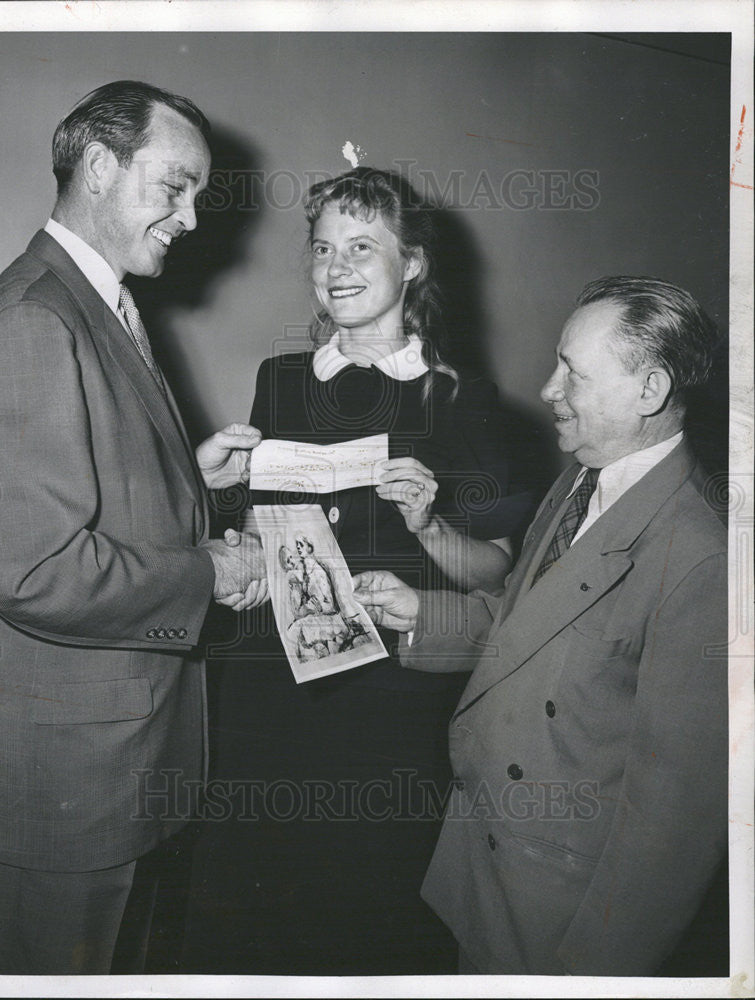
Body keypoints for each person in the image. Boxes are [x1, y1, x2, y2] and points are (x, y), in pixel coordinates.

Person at [193, 168, 534, 974]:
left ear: (411, 263)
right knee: (251, 905)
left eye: (360, 247)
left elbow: (496, 572)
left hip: (387, 702)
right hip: (266, 683)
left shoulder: (462, 398)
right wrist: (223, 512)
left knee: (361, 910)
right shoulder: (280, 380)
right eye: (320, 248)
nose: (334, 266)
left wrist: (429, 524)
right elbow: (256, 528)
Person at [0, 80, 266, 975]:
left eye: (198, 196)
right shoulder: (34, 319)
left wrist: (191, 484)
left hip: (112, 767)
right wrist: (212, 570)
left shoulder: (91, 304)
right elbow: (38, 572)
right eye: (173, 186)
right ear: (98, 167)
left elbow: (91, 498)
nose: (188, 218)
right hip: (69, 789)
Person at [354, 275, 728, 976]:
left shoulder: (702, 560)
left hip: (561, 920)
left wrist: (594, 974)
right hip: (490, 867)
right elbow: (530, 629)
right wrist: (419, 615)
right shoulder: (582, 476)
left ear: (648, 391)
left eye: (573, 374)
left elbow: (672, 828)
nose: (548, 387)